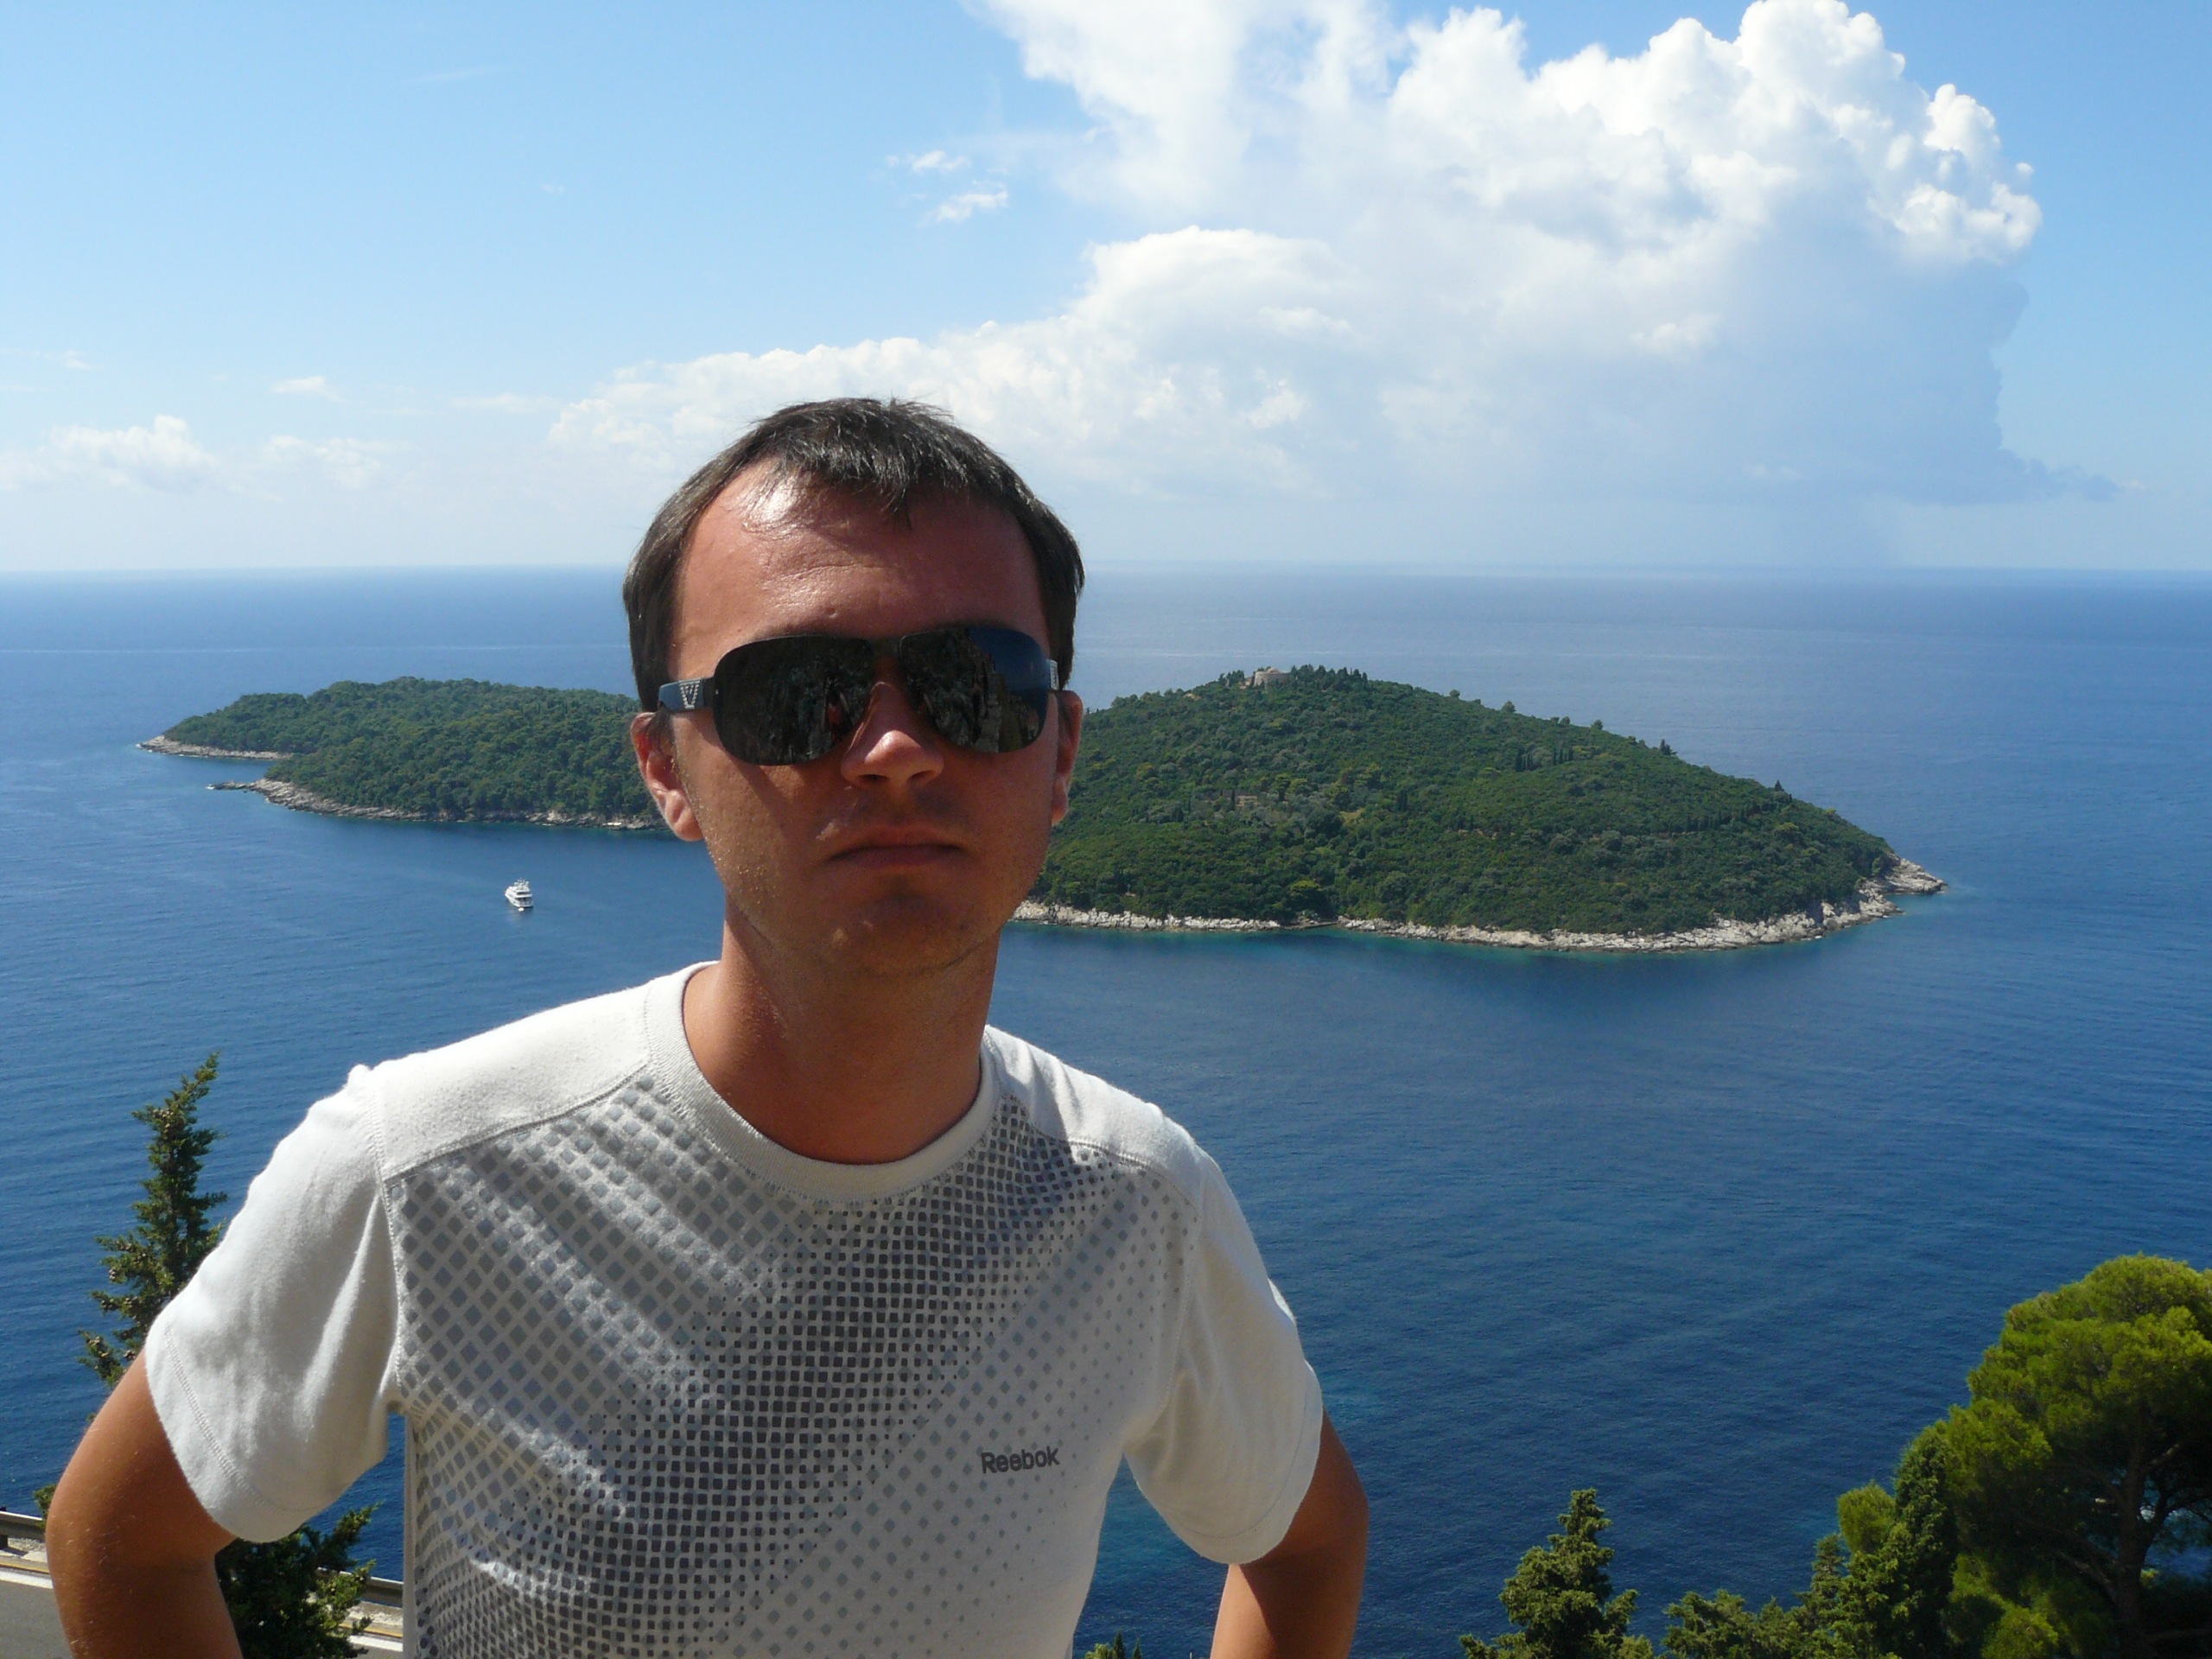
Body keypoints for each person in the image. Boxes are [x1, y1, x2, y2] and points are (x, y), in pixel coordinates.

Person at [48, 398, 1368, 1657]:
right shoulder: (426, 1171)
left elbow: (1305, 1543)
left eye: (976, 684)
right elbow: (120, 1540)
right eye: (796, 694)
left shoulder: (1136, 1206)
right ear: (666, 771)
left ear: (1061, 753)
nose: (895, 747)